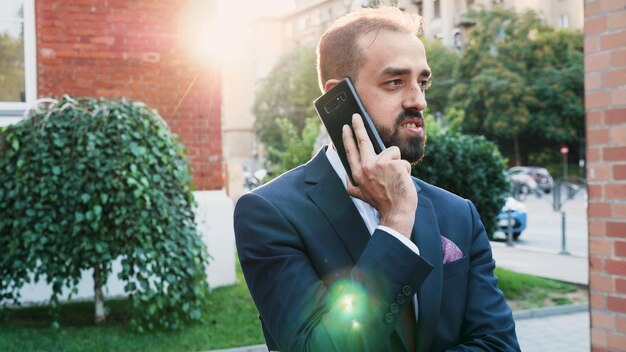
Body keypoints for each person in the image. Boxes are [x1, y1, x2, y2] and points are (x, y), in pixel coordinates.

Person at [234, 6, 519, 352]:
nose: (419, 100)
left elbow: (499, 344)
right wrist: (396, 221)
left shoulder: (459, 214)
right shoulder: (270, 215)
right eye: (395, 82)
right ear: (338, 97)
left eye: (423, 82)